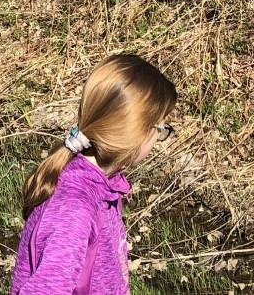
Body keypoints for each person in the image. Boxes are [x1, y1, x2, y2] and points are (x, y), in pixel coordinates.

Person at [12, 54, 177, 295]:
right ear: (134, 132)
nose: (159, 137)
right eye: (159, 128)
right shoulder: (74, 211)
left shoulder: (102, 186)